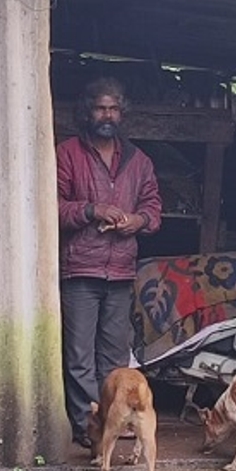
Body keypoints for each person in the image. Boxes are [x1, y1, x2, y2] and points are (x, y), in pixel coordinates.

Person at [57, 77, 162, 448]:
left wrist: (139, 221)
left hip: (120, 269)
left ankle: (113, 423)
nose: (107, 115)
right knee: (79, 355)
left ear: (122, 113)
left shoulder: (138, 160)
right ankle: (90, 428)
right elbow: (51, 206)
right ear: (88, 111)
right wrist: (91, 209)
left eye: (114, 108)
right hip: (81, 267)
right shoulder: (68, 153)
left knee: (114, 358)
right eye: (101, 107)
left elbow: (153, 208)